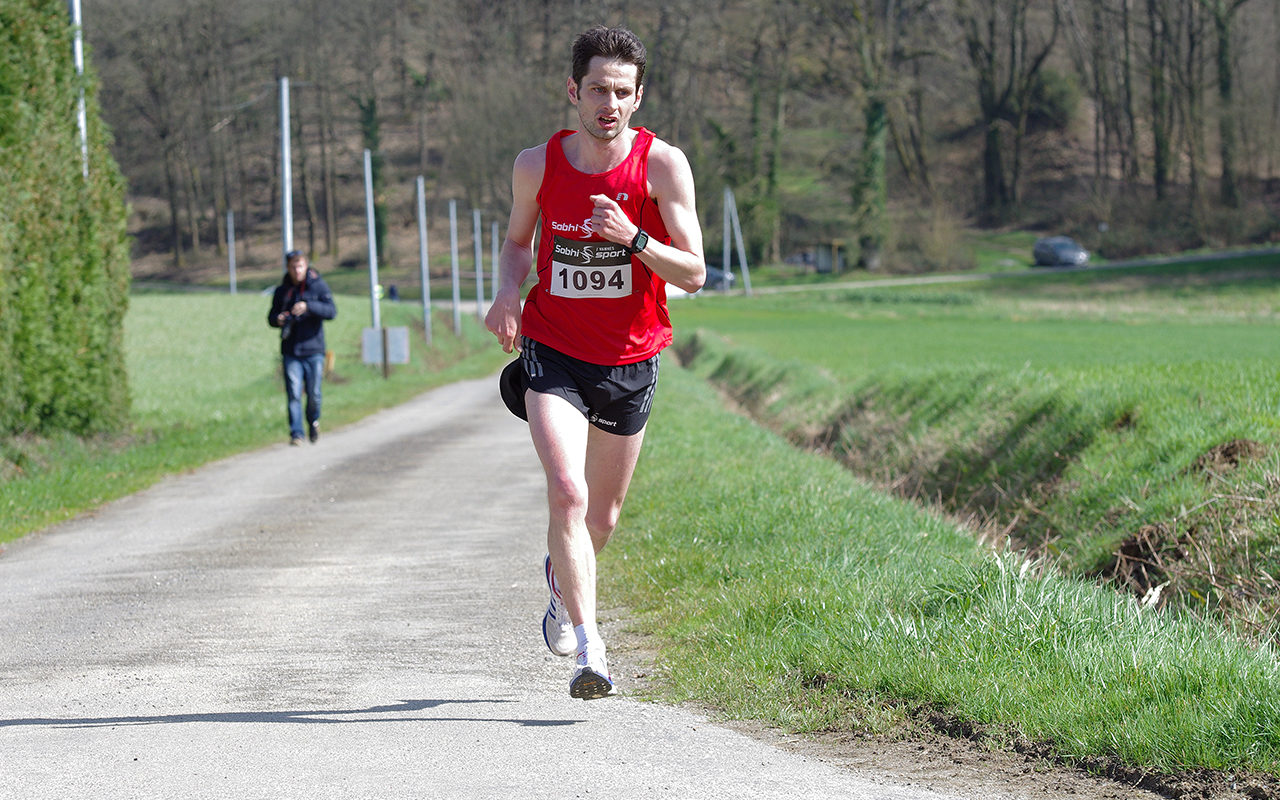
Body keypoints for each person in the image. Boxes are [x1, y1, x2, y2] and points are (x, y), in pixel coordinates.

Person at [485, 25, 705, 700]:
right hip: (552, 349)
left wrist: (634, 237)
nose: (609, 104)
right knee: (568, 492)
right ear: (572, 91)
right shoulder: (536, 165)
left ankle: (560, 585)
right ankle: (592, 649)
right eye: (597, 90)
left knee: (600, 519)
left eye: (621, 92)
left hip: (630, 358)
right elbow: (517, 245)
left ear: (638, 98)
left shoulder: (662, 166)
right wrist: (506, 293)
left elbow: (694, 272)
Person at [268, 249, 337, 446]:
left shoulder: (318, 286)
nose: (297, 270)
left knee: (314, 393)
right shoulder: (282, 291)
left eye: (300, 266)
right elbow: (271, 317)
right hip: (291, 351)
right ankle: (296, 433)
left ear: (306, 266)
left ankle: (313, 421)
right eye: (293, 267)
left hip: (314, 350)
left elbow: (332, 312)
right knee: (294, 393)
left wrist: (309, 307)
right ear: (288, 268)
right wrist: (279, 319)